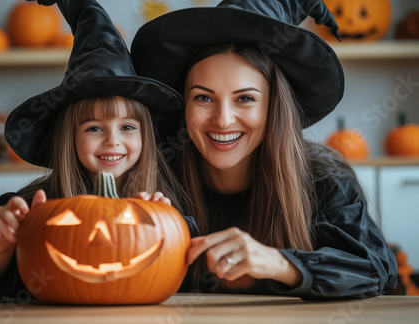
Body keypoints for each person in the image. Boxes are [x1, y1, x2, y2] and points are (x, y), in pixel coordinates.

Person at [131, 0, 398, 299]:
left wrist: (278, 262)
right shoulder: (157, 173)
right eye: (203, 98)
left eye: (245, 99)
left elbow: (375, 270)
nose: (223, 120)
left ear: (274, 107)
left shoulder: (325, 178)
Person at [0, 0, 196, 303]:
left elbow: (187, 270)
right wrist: (1, 251)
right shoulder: (35, 208)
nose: (112, 141)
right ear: (69, 138)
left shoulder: (164, 199)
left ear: (146, 135)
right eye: (94, 128)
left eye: (127, 128)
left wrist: (168, 225)